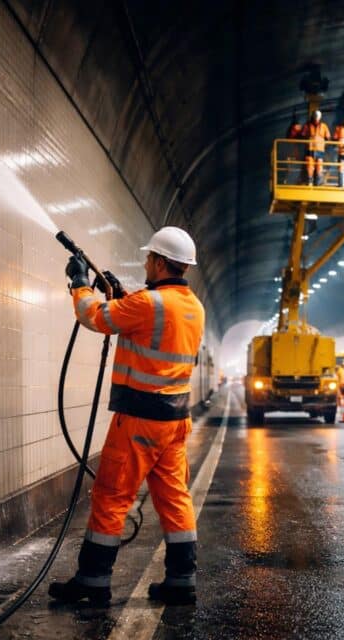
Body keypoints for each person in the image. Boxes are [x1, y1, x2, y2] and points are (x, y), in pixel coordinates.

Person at [49, 226, 205, 607]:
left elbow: (95, 317)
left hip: (138, 421)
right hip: (174, 422)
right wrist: (121, 294)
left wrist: (79, 283)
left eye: (149, 257)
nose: (145, 262)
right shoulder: (192, 306)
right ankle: (182, 579)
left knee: (111, 495)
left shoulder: (149, 304)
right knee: (174, 498)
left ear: (162, 262)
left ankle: (92, 581)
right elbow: (149, 324)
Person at [304, 109, 330, 186]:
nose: (316, 120)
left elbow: (328, 137)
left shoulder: (324, 126)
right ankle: (310, 181)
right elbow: (302, 135)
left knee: (319, 166)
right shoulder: (307, 126)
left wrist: (325, 145)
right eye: (315, 118)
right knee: (310, 165)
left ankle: (318, 182)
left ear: (320, 118)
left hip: (320, 150)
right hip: (310, 149)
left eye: (317, 118)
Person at [284, 116, 305, 185]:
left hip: (295, 154)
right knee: (292, 169)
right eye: (298, 126)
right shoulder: (293, 132)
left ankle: (293, 181)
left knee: (294, 169)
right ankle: (290, 181)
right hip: (293, 154)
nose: (299, 127)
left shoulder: (291, 131)